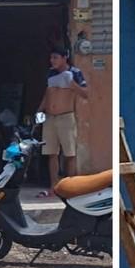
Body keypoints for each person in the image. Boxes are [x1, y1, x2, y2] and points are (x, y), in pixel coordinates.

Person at [38, 49, 89, 195]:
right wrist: (39, 111)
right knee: (51, 153)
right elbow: (47, 94)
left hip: (65, 117)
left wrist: (72, 85)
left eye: (55, 57)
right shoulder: (50, 73)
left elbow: (86, 94)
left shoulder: (75, 72)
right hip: (49, 117)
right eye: (51, 57)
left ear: (64, 58)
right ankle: (54, 185)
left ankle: (70, 185)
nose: (52, 60)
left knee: (69, 153)